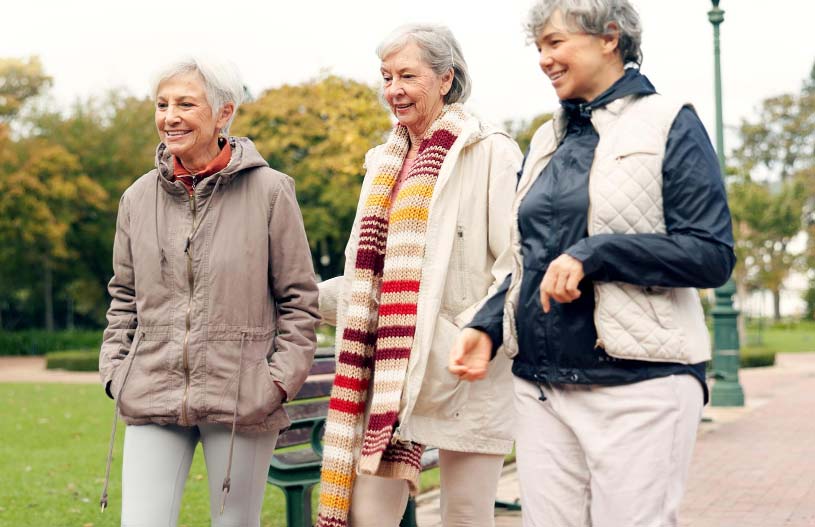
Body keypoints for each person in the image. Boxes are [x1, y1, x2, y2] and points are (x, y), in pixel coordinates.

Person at [449, 1, 737, 526]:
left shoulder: (670, 122)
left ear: (609, 37)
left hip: (640, 385)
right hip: (541, 384)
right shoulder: (544, 139)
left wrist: (597, 253)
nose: (544, 59)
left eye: (555, 43)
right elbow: (527, 257)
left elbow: (711, 255)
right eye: (539, 47)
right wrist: (488, 325)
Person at [97, 56, 319, 527]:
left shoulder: (272, 191)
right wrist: (118, 372)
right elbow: (122, 297)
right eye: (162, 104)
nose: (169, 116)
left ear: (223, 113)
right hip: (151, 390)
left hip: (242, 397)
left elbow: (300, 299)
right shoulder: (136, 198)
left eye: (185, 103)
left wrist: (275, 382)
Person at [315, 24, 522, 527]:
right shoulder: (382, 163)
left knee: (467, 514)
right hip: (385, 370)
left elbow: (515, 267)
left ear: (446, 78)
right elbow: (369, 279)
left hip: (462, 365)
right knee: (367, 516)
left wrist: (467, 335)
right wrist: (299, 295)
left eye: (408, 75)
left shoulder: (492, 151)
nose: (394, 89)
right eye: (386, 76)